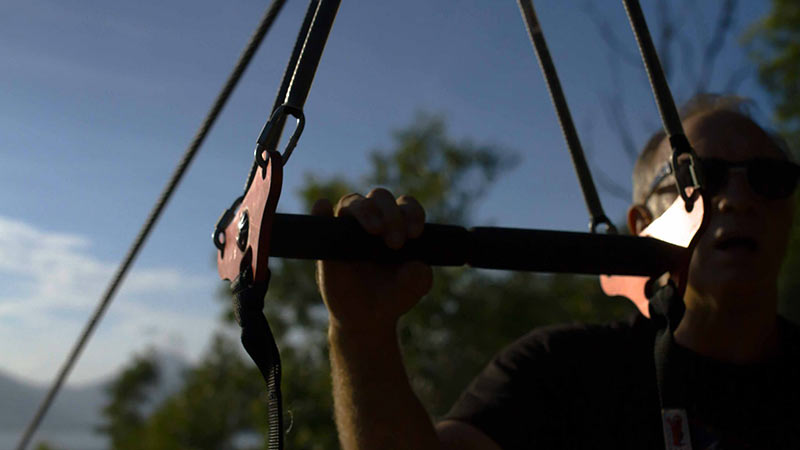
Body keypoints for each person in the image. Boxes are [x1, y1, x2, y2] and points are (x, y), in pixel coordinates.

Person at [311, 94, 800, 449]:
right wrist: (362, 335)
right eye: (700, 178)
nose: (738, 200)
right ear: (642, 225)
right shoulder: (562, 371)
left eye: (768, 180)